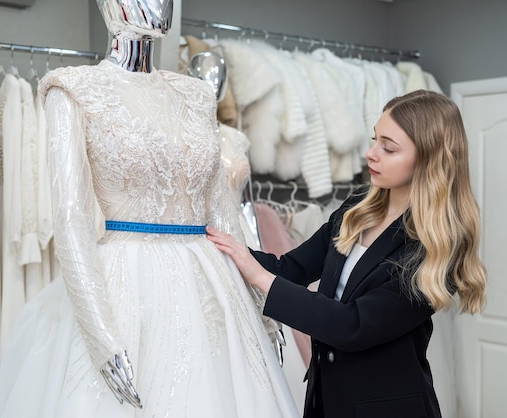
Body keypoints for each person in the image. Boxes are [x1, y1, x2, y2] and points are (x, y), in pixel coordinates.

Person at [0, 1, 299, 417]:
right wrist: (101, 337)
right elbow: (71, 220)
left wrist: (261, 306)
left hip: (210, 282)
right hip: (125, 284)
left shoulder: (196, 94)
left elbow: (221, 212)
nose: (159, 3)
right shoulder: (73, 89)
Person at [207, 89, 488, 418]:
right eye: (375, 140)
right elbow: (291, 267)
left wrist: (260, 278)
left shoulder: (437, 247)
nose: (371, 153)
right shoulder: (356, 210)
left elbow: (352, 325)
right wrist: (223, 250)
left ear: (428, 158)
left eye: (389, 147)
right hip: (326, 401)